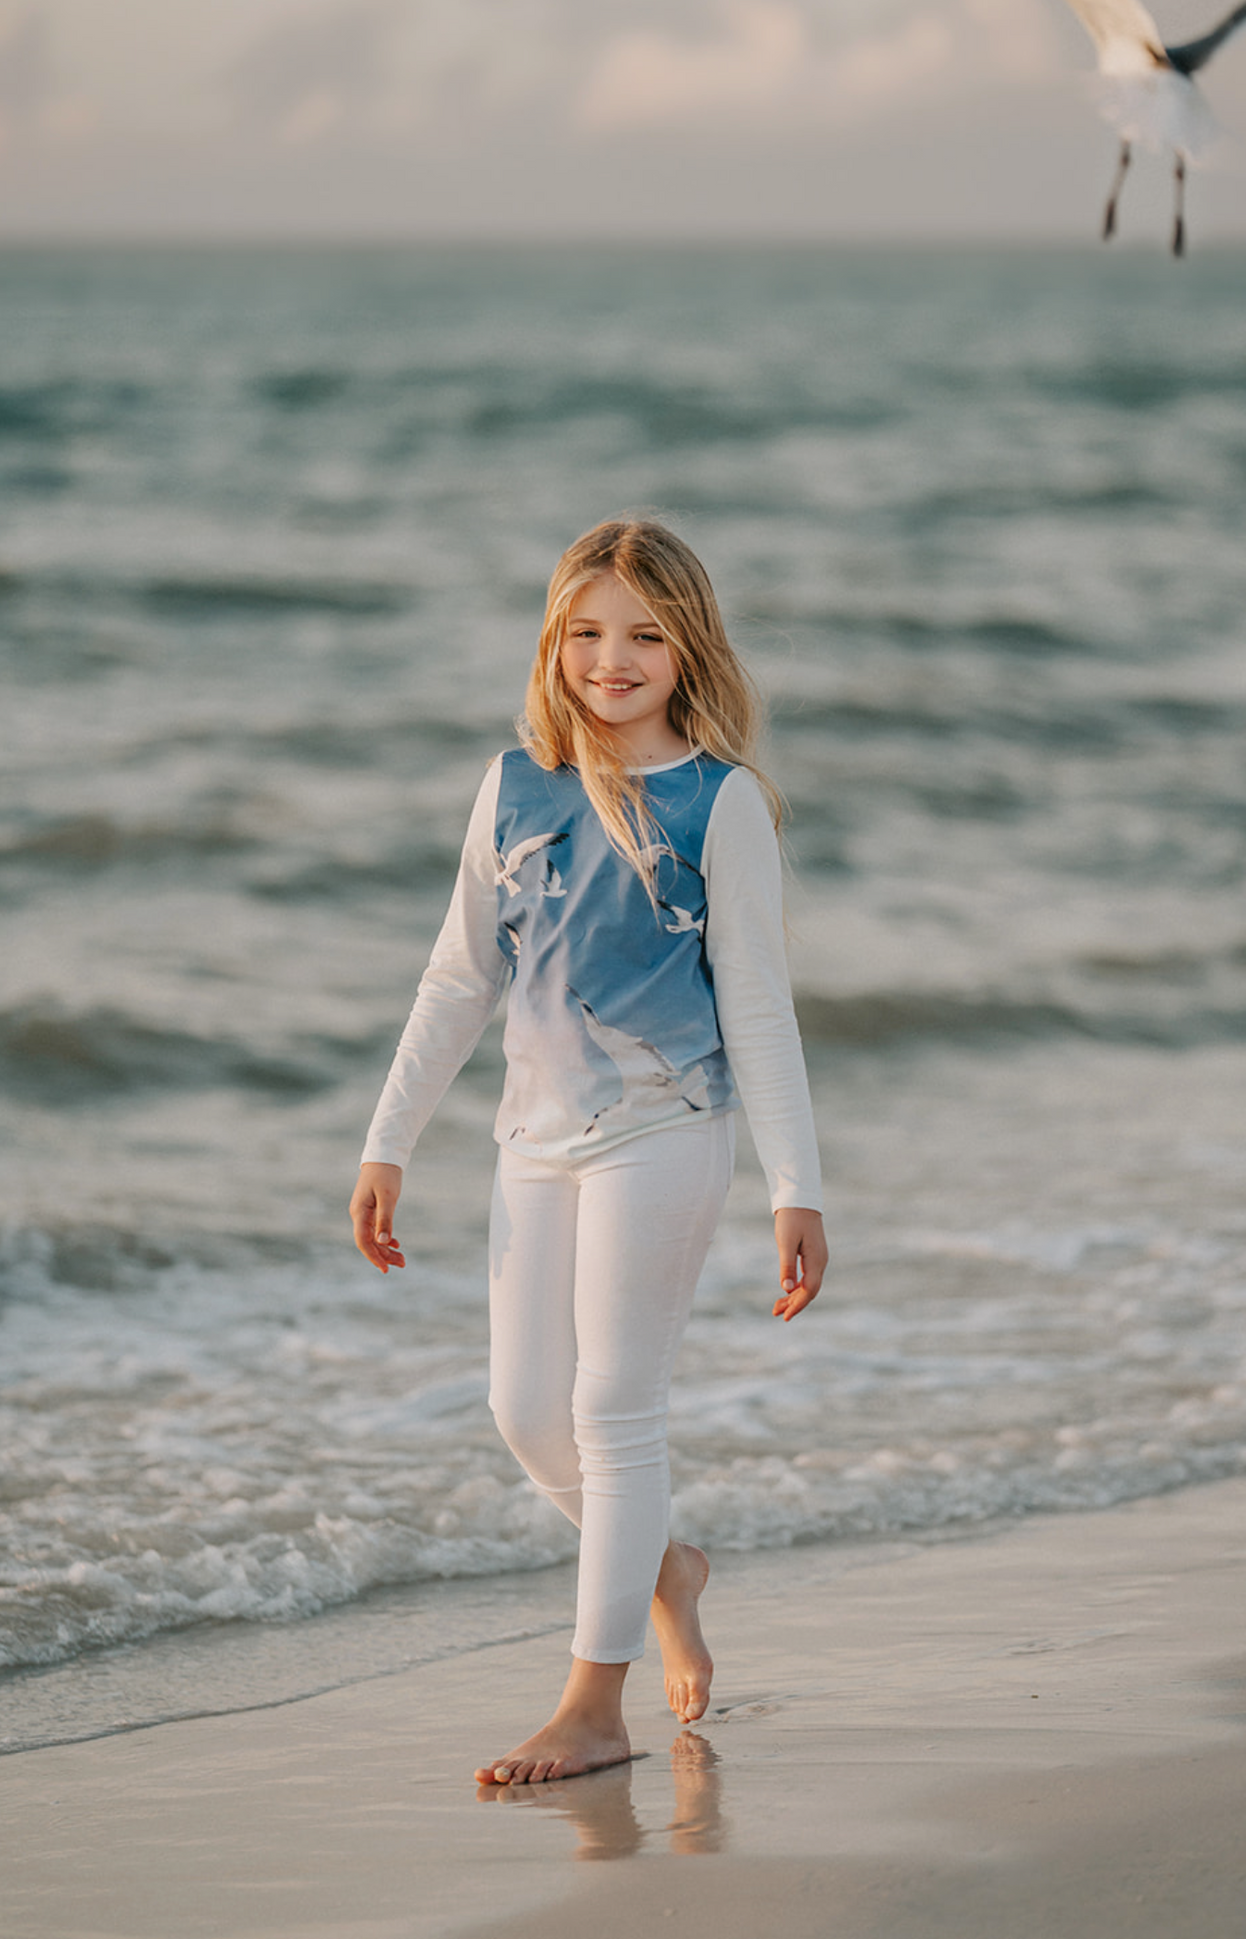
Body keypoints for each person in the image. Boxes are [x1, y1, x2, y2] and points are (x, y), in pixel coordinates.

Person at [350, 515, 827, 1786]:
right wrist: (386, 1141)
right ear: (554, 642)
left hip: (666, 1131)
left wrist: (797, 1184)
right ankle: (664, 1568)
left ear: (688, 650)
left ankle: (591, 1702)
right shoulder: (512, 785)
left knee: (614, 1410)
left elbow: (760, 1005)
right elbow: (458, 976)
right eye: (586, 632)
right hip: (530, 1142)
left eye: (644, 635)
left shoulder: (718, 803)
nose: (610, 659)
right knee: (522, 1410)